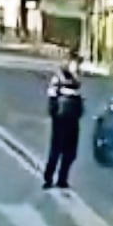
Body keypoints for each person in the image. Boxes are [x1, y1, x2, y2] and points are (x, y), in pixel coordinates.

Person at [44, 49, 84, 189]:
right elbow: (52, 95)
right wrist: (54, 113)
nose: (77, 66)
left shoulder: (76, 78)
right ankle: (48, 178)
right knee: (56, 149)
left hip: (73, 118)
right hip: (61, 117)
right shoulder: (60, 77)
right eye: (75, 63)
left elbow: (77, 97)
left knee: (70, 152)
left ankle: (62, 179)